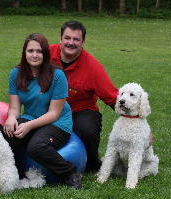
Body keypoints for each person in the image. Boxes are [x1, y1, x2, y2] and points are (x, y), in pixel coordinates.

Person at [3, 33, 82, 189]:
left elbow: (54, 113)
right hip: (31, 118)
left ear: (45, 53)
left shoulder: (57, 75)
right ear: (24, 53)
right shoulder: (16, 73)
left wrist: (29, 125)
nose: (35, 55)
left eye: (39, 51)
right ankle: (16, 174)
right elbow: (14, 107)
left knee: (36, 147)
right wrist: (11, 118)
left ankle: (71, 172)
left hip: (58, 123)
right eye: (30, 51)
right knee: (8, 131)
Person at [49, 20, 119, 172]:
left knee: (87, 130)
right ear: (60, 38)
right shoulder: (44, 54)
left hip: (79, 110)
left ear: (83, 42)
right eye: (67, 38)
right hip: (48, 109)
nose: (71, 43)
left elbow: (114, 99)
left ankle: (92, 164)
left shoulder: (93, 67)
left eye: (76, 39)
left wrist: (138, 122)